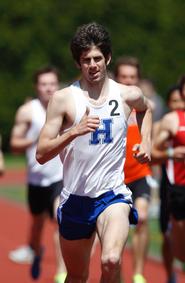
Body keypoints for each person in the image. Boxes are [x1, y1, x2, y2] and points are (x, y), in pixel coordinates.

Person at [36, 22, 152, 283]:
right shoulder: (64, 99)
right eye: (86, 59)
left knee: (111, 260)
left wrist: (146, 141)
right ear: (78, 63)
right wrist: (73, 132)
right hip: (76, 198)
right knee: (77, 276)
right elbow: (41, 153)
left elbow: (147, 108)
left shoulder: (127, 94)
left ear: (107, 58)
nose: (93, 64)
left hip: (112, 194)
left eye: (97, 58)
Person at [9, 66, 66, 283]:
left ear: (57, 85)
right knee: (37, 222)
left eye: (52, 84)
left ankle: (61, 272)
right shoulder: (27, 111)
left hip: (59, 176)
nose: (48, 88)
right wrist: (37, 139)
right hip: (36, 179)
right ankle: (35, 249)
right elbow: (14, 143)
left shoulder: (66, 107)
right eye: (44, 84)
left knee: (60, 219)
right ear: (37, 87)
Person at [114, 56, 152, 283]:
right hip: (115, 180)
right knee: (116, 234)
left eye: (132, 77)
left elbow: (153, 144)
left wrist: (147, 146)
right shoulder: (109, 105)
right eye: (124, 77)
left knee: (144, 217)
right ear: (117, 78)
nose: (128, 81)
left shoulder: (146, 107)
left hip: (139, 175)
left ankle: (138, 273)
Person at [152, 85, 185, 283]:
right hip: (173, 187)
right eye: (174, 101)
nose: (178, 105)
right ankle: (170, 273)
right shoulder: (167, 123)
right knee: (169, 236)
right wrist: (171, 153)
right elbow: (152, 155)